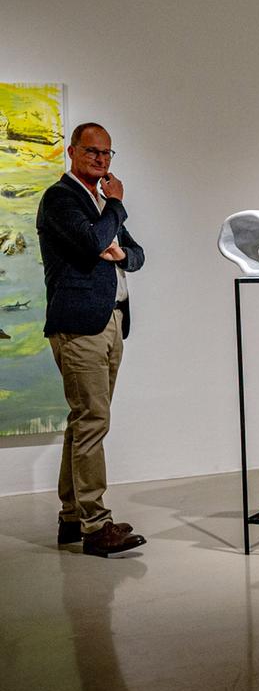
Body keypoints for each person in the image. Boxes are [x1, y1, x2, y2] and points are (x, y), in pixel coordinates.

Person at [36, 122, 147, 558]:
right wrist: (116, 206)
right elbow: (90, 244)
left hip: (112, 321)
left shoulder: (99, 202)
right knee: (93, 422)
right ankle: (96, 525)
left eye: (107, 154)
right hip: (79, 324)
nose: (101, 160)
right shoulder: (62, 199)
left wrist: (121, 250)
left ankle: (70, 518)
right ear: (71, 152)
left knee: (84, 420)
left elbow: (137, 254)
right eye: (92, 151)